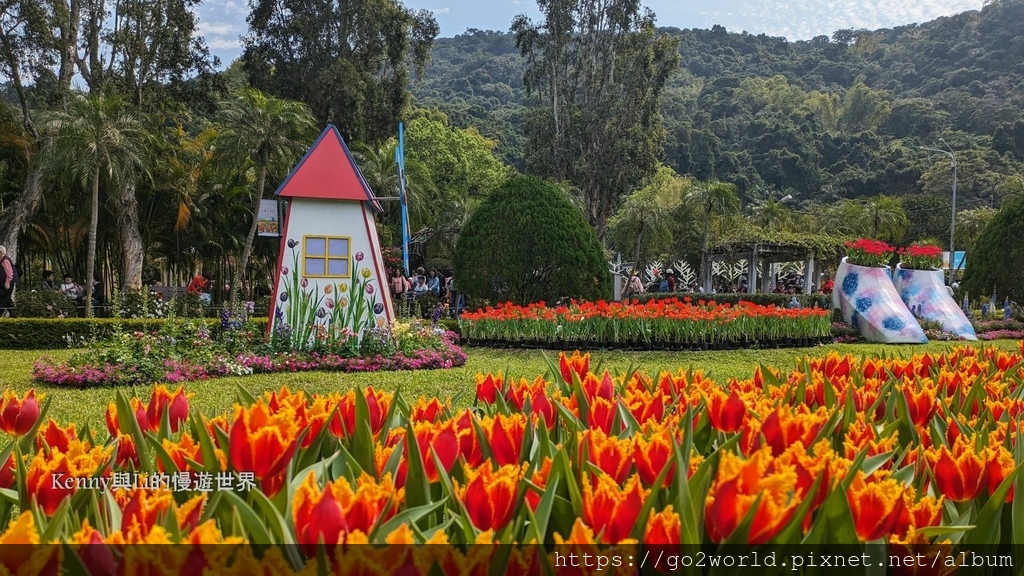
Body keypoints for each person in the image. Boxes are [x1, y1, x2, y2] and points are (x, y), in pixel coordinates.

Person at [0, 246, 14, 315]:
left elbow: (10, 273)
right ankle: (14, 313)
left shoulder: (5, 260)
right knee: (7, 300)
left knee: (2, 299)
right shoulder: (1, 260)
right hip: (3, 284)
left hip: (7, 284)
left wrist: (7, 282)